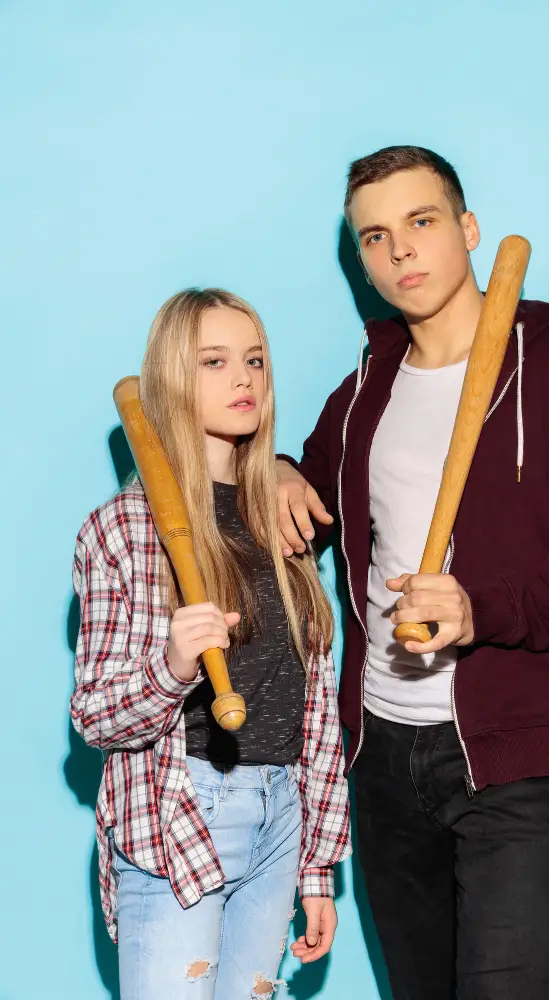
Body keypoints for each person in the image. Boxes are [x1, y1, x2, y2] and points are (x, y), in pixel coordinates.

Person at [276, 145, 549, 999]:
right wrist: (273, 471)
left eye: (420, 222)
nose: (399, 250)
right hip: (378, 750)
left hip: (513, 755)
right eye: (374, 237)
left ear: (467, 229)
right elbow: (311, 502)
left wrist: (484, 609)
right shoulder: (366, 387)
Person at [71, 288, 351, 1000]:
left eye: (254, 360)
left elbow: (310, 710)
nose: (244, 378)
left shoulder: (280, 521)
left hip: (281, 812)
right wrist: (170, 668)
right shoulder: (123, 532)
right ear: (170, 381)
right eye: (215, 361)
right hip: (182, 808)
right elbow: (95, 715)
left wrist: (316, 867)